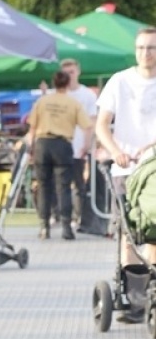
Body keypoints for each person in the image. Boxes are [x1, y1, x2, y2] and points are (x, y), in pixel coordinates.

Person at [95, 26, 156, 277]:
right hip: (126, 167)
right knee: (128, 232)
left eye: (151, 47)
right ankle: (132, 286)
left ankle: (151, 283)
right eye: (141, 47)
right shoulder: (120, 81)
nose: (146, 53)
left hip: (153, 169)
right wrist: (115, 151)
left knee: (154, 231)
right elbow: (101, 124)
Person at [26, 69, 91, 240]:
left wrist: (31, 147)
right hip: (62, 145)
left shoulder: (42, 101)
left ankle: (44, 227)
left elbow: (32, 126)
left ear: (53, 83)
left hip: (43, 144)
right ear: (68, 83)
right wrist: (85, 145)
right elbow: (87, 126)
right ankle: (66, 228)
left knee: (43, 186)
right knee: (64, 187)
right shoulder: (73, 103)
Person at [59, 58, 100, 234]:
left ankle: (79, 217)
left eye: (72, 72)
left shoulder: (87, 95)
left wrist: (87, 143)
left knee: (79, 185)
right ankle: (63, 219)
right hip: (61, 146)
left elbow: (92, 120)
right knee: (61, 185)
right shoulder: (58, 94)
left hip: (79, 146)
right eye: (66, 73)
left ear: (78, 72)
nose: (69, 75)